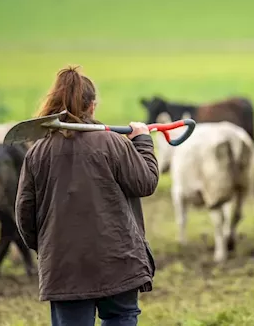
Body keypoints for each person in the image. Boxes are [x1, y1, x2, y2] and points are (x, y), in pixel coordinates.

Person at [15, 65, 159, 326]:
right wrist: (143, 141)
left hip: (64, 268)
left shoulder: (37, 153)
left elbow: (24, 216)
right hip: (119, 262)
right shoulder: (114, 143)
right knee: (121, 317)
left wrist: (50, 248)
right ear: (92, 106)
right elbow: (146, 182)